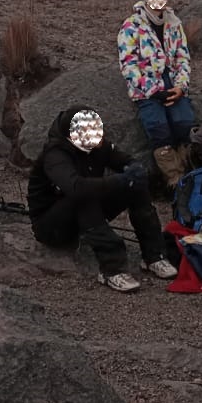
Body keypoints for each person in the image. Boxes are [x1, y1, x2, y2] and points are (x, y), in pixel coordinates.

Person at [27, 105, 178, 292]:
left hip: (85, 216)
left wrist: (135, 169)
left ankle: (154, 256)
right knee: (84, 195)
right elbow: (76, 188)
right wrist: (121, 180)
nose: (98, 135)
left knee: (135, 187)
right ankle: (111, 269)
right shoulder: (56, 156)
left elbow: (125, 160)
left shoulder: (98, 146)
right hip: (51, 226)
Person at [118, 0, 195, 190]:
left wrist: (181, 86)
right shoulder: (131, 26)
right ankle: (175, 180)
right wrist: (152, 90)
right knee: (158, 127)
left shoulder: (174, 23)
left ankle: (189, 172)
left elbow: (182, 57)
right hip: (146, 85)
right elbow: (128, 64)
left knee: (184, 122)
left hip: (172, 81)